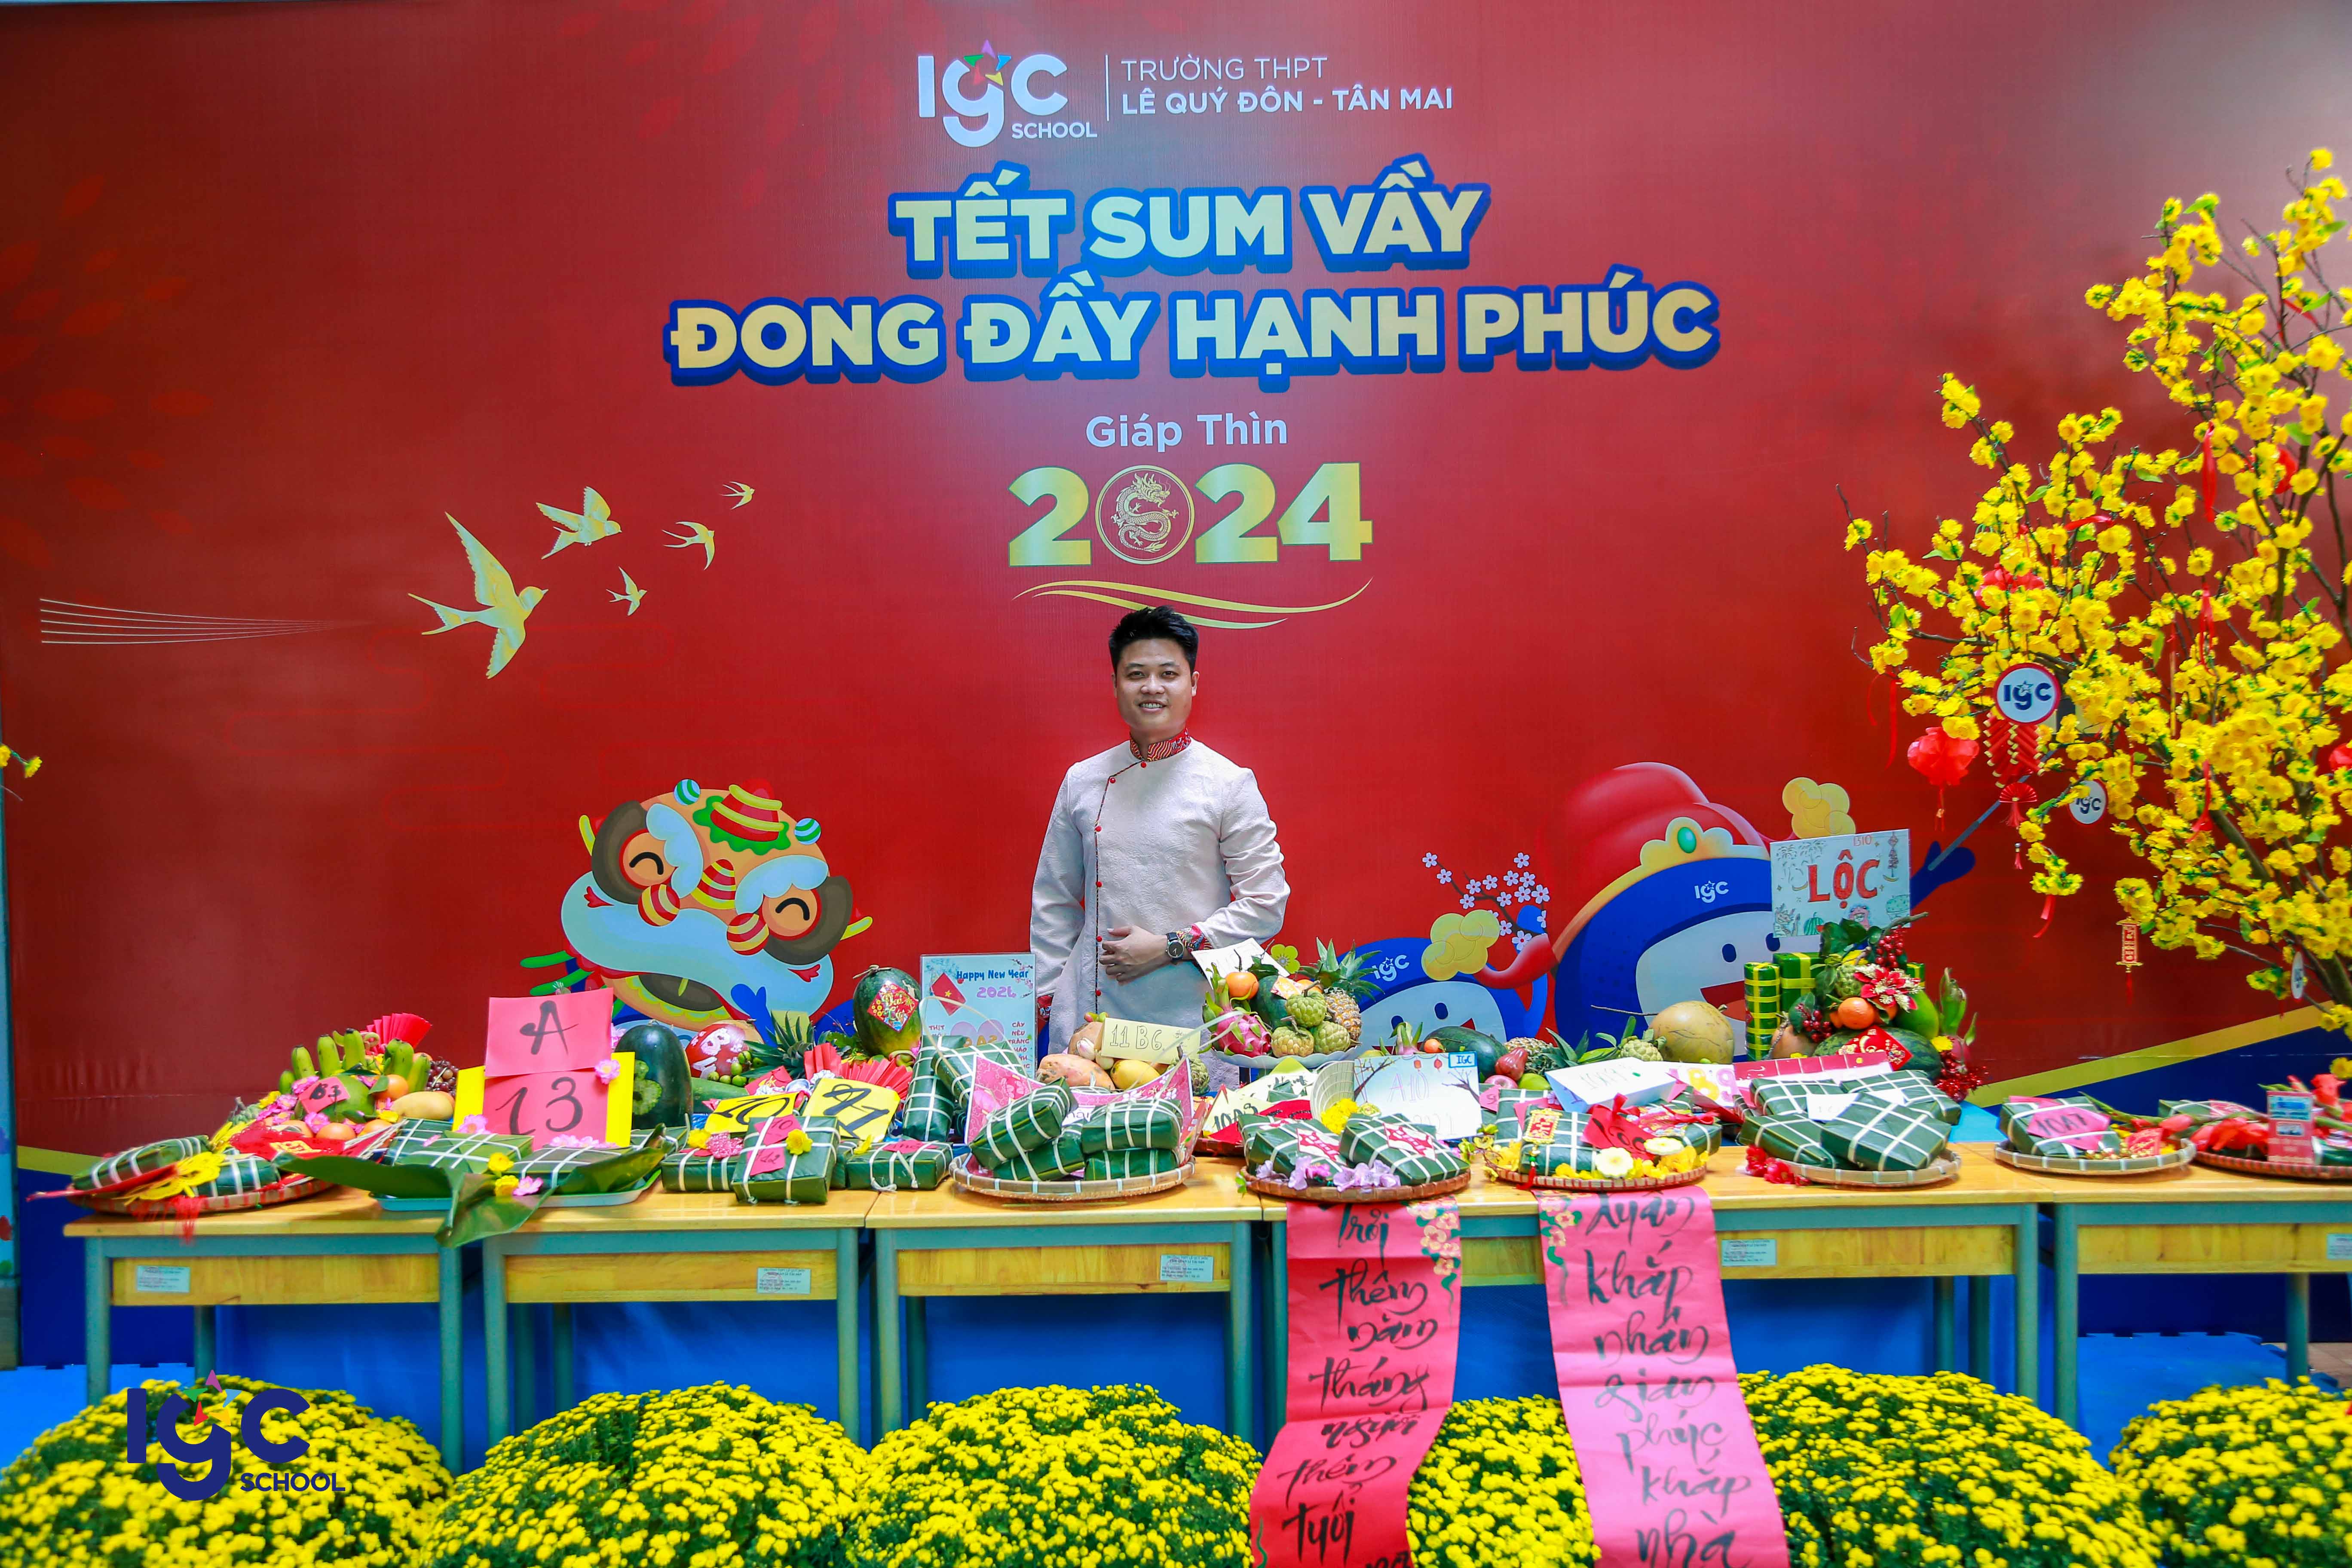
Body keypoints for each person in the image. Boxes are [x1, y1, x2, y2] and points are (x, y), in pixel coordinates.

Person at [1030, 606, 1289, 1048]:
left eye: (1168, 674)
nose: (1152, 688)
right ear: (1116, 684)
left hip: (1192, 1015)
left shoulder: (1228, 783)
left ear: (1193, 683)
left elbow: (1267, 904)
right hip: (1091, 1015)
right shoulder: (1083, 780)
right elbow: (1054, 900)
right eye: (1136, 675)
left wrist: (1170, 946)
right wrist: (1050, 998)